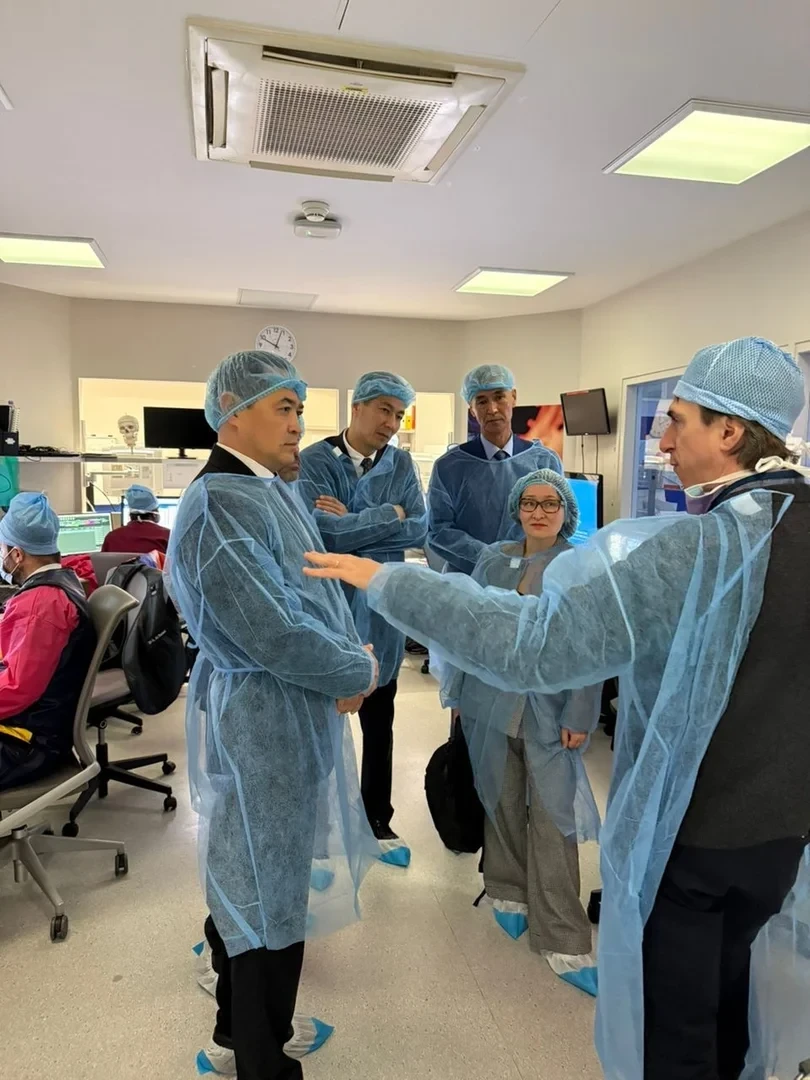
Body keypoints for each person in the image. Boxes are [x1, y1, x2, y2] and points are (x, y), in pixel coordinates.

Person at [304, 337, 810, 1080]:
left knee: (679, 1024)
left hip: (697, 835)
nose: (664, 443)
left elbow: (537, 644)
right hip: (783, 836)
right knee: (732, 987)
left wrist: (385, 581)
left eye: (677, 421)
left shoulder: (701, 551)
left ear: (730, 430)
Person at [168, 351, 380, 1080]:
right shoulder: (220, 505)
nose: (298, 425)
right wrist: (354, 668)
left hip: (288, 709)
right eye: (283, 408)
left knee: (268, 881)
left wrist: (344, 654)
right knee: (261, 892)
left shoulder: (264, 490)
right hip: (264, 716)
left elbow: (306, 595)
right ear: (232, 412)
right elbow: (273, 631)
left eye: (299, 409)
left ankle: (248, 1033)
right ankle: (260, 1061)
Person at [442, 469, 600, 993]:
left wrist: (581, 712)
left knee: (554, 818)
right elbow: (468, 628)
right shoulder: (493, 559)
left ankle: (563, 935)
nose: (538, 512)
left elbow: (591, 646)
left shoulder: (581, 566)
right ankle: (508, 891)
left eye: (550, 503)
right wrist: (458, 693)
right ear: (516, 508)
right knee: (501, 797)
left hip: (549, 707)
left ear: (566, 512)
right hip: (488, 699)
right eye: (529, 502)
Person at [298, 371, 427, 866]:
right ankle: (317, 832)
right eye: (384, 411)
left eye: (399, 414)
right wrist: (389, 513)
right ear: (357, 407)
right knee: (323, 727)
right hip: (329, 609)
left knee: (380, 724)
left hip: (379, 612)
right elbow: (323, 536)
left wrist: (352, 518)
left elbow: (419, 527)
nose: (392, 423)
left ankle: (378, 820)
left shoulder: (401, 462)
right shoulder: (315, 460)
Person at [427, 363, 563, 574]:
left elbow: (558, 523)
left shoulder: (544, 462)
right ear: (472, 409)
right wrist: (489, 558)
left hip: (526, 578)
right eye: (482, 401)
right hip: (466, 579)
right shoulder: (449, 467)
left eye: (499, 397)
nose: (492, 409)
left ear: (514, 397)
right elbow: (438, 530)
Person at [0, 493, 96, 791]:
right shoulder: (62, 581)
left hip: (25, 744)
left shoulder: (41, 605)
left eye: (2, 549)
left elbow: (17, 689)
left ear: (17, 555)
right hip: (31, 728)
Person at [101, 484, 170, 554]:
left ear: (130, 514)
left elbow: (103, 560)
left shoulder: (111, 538)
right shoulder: (168, 536)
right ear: (154, 514)